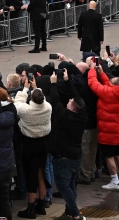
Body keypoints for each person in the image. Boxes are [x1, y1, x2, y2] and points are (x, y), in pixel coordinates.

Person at [46, 66, 87, 220]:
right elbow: (76, 96)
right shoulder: (82, 115)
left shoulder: (64, 116)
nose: (69, 100)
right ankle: (70, 211)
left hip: (63, 157)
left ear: (71, 107)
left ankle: (75, 214)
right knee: (71, 185)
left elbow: (55, 100)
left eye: (70, 102)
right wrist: (67, 81)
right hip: (75, 155)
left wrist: (53, 84)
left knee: (63, 186)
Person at [85, 58, 119, 191]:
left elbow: (92, 83)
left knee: (109, 157)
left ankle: (114, 181)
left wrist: (92, 69)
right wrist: (102, 73)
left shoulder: (108, 93)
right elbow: (107, 84)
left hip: (109, 132)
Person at [12, 82, 50, 219]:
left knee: (30, 176)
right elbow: (42, 99)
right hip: (43, 144)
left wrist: (26, 88)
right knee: (41, 174)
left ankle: (31, 207)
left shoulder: (26, 110)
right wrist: (36, 87)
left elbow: (17, 102)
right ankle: (42, 204)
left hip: (29, 145)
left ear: (31, 99)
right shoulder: (48, 108)